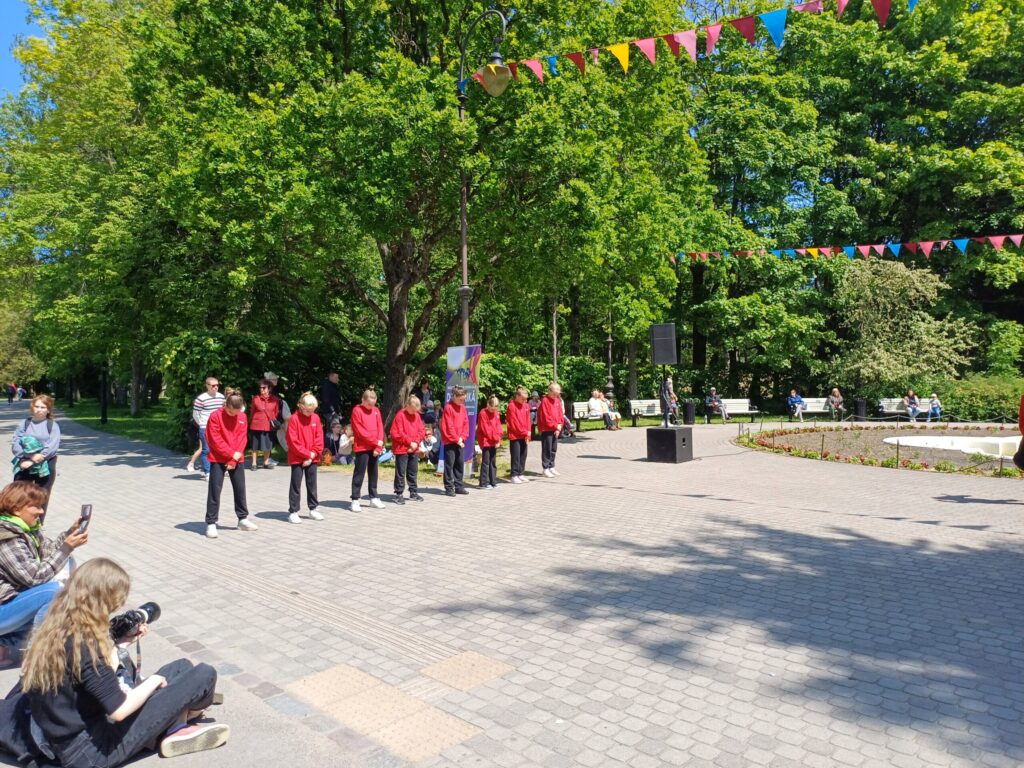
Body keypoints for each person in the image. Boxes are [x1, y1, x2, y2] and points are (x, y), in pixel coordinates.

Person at [23, 558, 229, 766]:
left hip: (69, 739)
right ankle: (179, 721)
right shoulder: (85, 646)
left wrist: (121, 645)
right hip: (94, 751)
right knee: (204, 674)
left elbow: (91, 681)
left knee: (181, 667)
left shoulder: (56, 628)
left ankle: (175, 723)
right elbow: (119, 709)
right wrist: (154, 681)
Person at [0, 482, 88, 669]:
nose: (41, 511)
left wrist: (69, 534)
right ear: (16, 509)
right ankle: (37, 653)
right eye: (36, 506)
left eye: (42, 505)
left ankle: (6, 644)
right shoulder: (6, 537)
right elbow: (34, 578)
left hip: (10, 601)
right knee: (53, 593)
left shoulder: (27, 529)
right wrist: (66, 548)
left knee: (67, 570)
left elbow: (49, 553)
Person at [204, 390, 257, 539]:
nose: (233, 415)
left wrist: (234, 459)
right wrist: (230, 454)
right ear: (225, 405)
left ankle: (242, 519)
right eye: (230, 412)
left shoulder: (242, 416)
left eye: (236, 412)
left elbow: (242, 438)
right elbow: (214, 439)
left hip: (236, 458)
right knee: (215, 490)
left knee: (240, 489)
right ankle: (211, 522)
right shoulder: (215, 416)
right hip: (218, 458)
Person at [11, 395, 61, 506]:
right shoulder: (24, 423)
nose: (39, 410)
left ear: (48, 410)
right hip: (24, 462)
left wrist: (33, 461)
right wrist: (28, 457)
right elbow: (15, 443)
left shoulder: (52, 426)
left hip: (45, 464)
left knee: (41, 499)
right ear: (32, 407)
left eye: (43, 407)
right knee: (18, 496)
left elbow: (51, 448)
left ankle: (38, 517)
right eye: (37, 406)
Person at [285, 393, 324, 524]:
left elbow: (319, 438)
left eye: (312, 411)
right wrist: (307, 455)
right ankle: (293, 511)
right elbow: (292, 441)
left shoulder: (316, 418)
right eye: (308, 411)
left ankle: (313, 508)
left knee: (312, 484)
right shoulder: (294, 419)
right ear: (301, 406)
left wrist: (312, 454)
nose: (310, 413)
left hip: (312, 457)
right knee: (296, 484)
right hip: (297, 458)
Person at [350, 389, 386, 512]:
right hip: (362, 447)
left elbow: (380, 427)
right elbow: (360, 431)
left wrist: (378, 446)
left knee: (373, 472)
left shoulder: (376, 410)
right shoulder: (357, 411)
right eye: (369, 404)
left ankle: (374, 497)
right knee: (359, 473)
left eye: (373, 404)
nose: (371, 406)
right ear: (363, 400)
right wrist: (375, 442)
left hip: (374, 447)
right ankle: (355, 499)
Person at [389, 395, 425, 504]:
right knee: (401, 472)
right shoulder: (400, 415)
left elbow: (421, 430)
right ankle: (399, 493)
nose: (415, 412)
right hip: (402, 448)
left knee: (413, 471)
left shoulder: (417, 416)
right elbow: (396, 433)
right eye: (413, 410)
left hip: (414, 448)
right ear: (407, 405)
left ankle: (413, 492)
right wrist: (410, 442)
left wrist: (416, 442)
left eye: (416, 410)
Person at [186, 377, 224, 479]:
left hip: (218, 427)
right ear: (207, 386)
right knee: (206, 450)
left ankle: (219, 470)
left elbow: (223, 412)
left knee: (219, 449)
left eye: (217, 385)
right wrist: (202, 424)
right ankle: (208, 472)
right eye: (213, 385)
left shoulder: (221, 397)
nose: (216, 387)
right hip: (205, 427)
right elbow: (196, 414)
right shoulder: (201, 398)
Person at [441, 387, 470, 497]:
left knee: (459, 463)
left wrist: (462, 437)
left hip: (460, 440)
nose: (463, 401)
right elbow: (449, 426)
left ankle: (459, 486)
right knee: (449, 465)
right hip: (450, 441)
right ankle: (449, 487)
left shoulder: (463, 408)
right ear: (454, 396)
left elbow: (466, 423)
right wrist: (457, 439)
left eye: (464, 399)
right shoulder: (448, 408)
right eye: (461, 399)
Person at [248, 380, 281, 469]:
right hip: (256, 425)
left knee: (268, 445)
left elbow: (276, 412)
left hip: (268, 426)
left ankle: (266, 463)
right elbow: (252, 411)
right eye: (260, 388)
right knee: (255, 446)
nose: (261, 389)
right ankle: (254, 463)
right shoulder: (256, 398)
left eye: (264, 388)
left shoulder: (275, 399)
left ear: (269, 388)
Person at [537, 383, 564, 478]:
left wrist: (559, 426)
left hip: (556, 428)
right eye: (554, 393)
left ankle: (551, 466)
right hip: (547, 429)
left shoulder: (557, 400)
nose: (556, 395)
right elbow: (545, 417)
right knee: (547, 449)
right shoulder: (545, 401)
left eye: (557, 394)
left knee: (553, 449)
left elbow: (560, 414)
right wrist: (555, 426)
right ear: (550, 391)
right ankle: (545, 468)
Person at [476, 396, 502, 489]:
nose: (493, 411)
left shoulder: (496, 413)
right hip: (485, 441)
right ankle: (483, 483)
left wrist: (498, 439)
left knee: (492, 461)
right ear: (488, 405)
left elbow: (498, 427)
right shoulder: (483, 413)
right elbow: (486, 429)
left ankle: (493, 481)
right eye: (491, 409)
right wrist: (495, 439)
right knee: (486, 462)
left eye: (495, 409)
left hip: (494, 441)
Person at [506, 386, 532, 483]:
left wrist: (528, 434)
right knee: (516, 456)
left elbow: (528, 420)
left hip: (524, 434)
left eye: (526, 399)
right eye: (523, 399)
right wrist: (524, 432)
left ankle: (521, 473)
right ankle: (514, 475)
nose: (525, 401)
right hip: (515, 436)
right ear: (517, 396)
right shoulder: (511, 406)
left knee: (523, 454)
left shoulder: (526, 406)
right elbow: (514, 423)